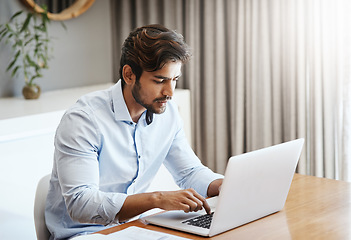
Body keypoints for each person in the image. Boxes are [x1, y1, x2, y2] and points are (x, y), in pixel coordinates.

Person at [45, 24, 223, 240]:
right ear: (129, 74)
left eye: (175, 79)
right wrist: (157, 199)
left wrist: (225, 185)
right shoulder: (83, 120)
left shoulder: (169, 114)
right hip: (84, 234)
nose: (169, 92)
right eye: (160, 80)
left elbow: (189, 172)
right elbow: (81, 203)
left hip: (136, 228)